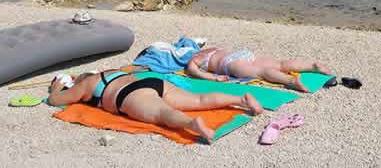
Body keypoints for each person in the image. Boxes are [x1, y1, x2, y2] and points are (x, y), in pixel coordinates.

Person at [47, 69, 263, 143]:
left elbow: (55, 100)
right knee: (199, 100)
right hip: (151, 82)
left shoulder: (86, 84)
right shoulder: (111, 71)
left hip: (130, 95)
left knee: (162, 113)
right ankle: (241, 101)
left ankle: (192, 124)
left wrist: (56, 88)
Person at [186, 48, 332, 93]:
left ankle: (291, 81)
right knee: (280, 64)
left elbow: (193, 72)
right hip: (243, 53)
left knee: (262, 72)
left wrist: (214, 78)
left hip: (229, 63)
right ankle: (312, 66)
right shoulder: (210, 48)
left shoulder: (194, 58)